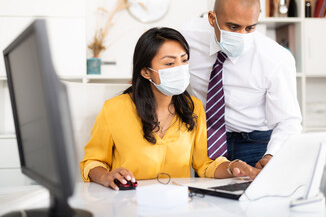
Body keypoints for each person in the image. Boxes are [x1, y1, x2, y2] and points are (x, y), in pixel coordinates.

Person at [80, 27, 260, 190]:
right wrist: (105, 176)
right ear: (145, 71)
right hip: (128, 202)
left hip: (176, 204)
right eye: (169, 64)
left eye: (184, 60)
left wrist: (233, 167)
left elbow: (205, 164)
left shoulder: (194, 108)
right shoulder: (114, 109)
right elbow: (93, 161)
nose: (180, 69)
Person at [181, 0, 302, 169]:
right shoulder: (187, 37)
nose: (242, 35)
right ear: (212, 19)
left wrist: (271, 155)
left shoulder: (276, 58)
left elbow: (288, 120)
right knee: (207, 196)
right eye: (233, 27)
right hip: (206, 140)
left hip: (255, 143)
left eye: (250, 28)